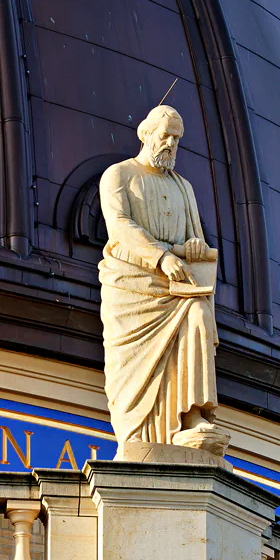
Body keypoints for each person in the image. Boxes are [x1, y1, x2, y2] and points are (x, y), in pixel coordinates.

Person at [98, 105, 222, 457]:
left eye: (176, 138)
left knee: (198, 314)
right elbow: (120, 226)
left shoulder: (184, 188)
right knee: (133, 378)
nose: (170, 143)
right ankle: (138, 431)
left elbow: (191, 237)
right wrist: (162, 256)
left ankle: (193, 415)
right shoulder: (119, 176)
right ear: (146, 134)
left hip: (177, 288)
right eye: (165, 135)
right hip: (133, 287)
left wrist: (193, 248)